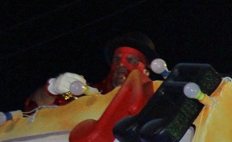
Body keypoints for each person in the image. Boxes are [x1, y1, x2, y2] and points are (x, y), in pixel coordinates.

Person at [24, 32, 158, 111]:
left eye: (132, 60)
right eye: (116, 59)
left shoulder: (158, 95)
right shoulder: (88, 95)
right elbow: (33, 110)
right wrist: (51, 88)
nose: (121, 64)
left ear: (146, 71)